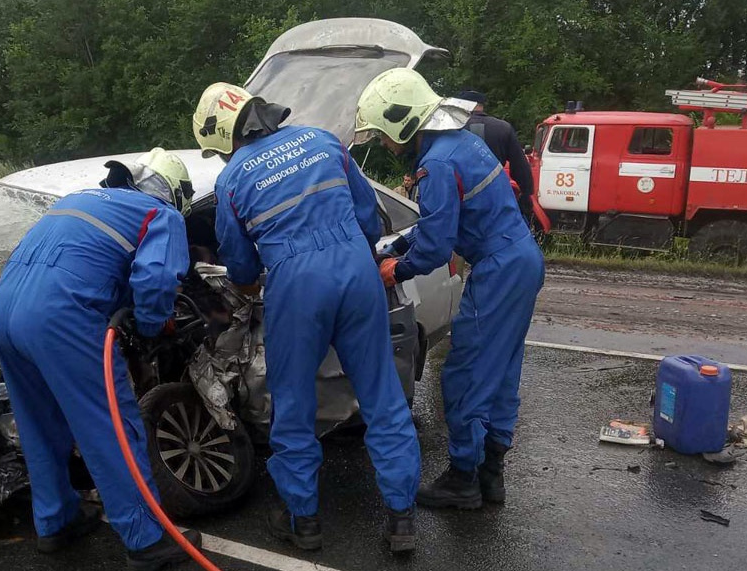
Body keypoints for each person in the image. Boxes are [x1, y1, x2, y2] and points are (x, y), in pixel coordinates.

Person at [193, 82, 420, 553]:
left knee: (294, 407)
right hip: (356, 269)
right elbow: (368, 216)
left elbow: (240, 266)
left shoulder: (232, 178)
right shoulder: (321, 140)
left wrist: (257, 283)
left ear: (223, 139)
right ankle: (401, 521)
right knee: (382, 395)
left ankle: (305, 522)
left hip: (295, 283)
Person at [0, 148, 201, 570]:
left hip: (4, 310)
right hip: (60, 317)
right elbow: (157, 278)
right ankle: (147, 540)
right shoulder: (161, 215)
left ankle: (56, 521)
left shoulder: (74, 199)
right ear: (173, 193)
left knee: (38, 422)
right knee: (109, 426)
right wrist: (149, 324)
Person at [356, 69, 545, 510]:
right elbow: (442, 222)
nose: (384, 143)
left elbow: (437, 245)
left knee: (464, 374)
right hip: (519, 258)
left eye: (384, 134)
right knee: (501, 373)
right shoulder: (459, 143)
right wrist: (399, 243)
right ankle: (490, 477)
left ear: (403, 120)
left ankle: (463, 479)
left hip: (499, 268)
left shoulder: (436, 164)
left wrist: (395, 270)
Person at [455, 90, 535, 217]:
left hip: (459, 195)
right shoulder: (503, 128)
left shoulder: (453, 129)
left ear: (461, 105)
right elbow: (520, 167)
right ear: (482, 105)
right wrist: (526, 193)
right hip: (494, 193)